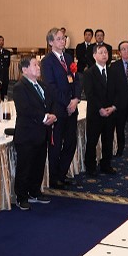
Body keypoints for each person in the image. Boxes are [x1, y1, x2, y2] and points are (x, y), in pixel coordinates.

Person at [12, 56, 57, 211]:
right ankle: (21, 196)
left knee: (38, 165)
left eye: (38, 65)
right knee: (25, 167)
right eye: (35, 65)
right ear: (25, 69)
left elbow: (51, 102)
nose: (38, 67)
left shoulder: (42, 85)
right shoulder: (20, 87)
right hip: (27, 134)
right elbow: (25, 109)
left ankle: (35, 192)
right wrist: (44, 117)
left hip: (41, 133)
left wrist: (53, 115)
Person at [41, 27, 81, 189]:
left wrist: (76, 99)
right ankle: (54, 178)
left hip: (72, 107)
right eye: (58, 39)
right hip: (57, 108)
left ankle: (62, 174)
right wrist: (67, 103)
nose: (62, 41)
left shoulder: (69, 57)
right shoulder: (47, 61)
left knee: (71, 143)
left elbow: (76, 80)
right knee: (56, 145)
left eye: (63, 38)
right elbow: (51, 87)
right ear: (51, 42)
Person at [83, 43, 117, 175]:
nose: (104, 55)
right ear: (94, 55)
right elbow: (89, 94)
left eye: (106, 52)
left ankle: (106, 164)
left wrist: (112, 107)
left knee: (108, 140)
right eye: (101, 52)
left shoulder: (112, 72)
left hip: (110, 112)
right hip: (95, 113)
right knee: (92, 141)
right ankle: (90, 166)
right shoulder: (89, 73)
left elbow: (118, 92)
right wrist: (100, 109)